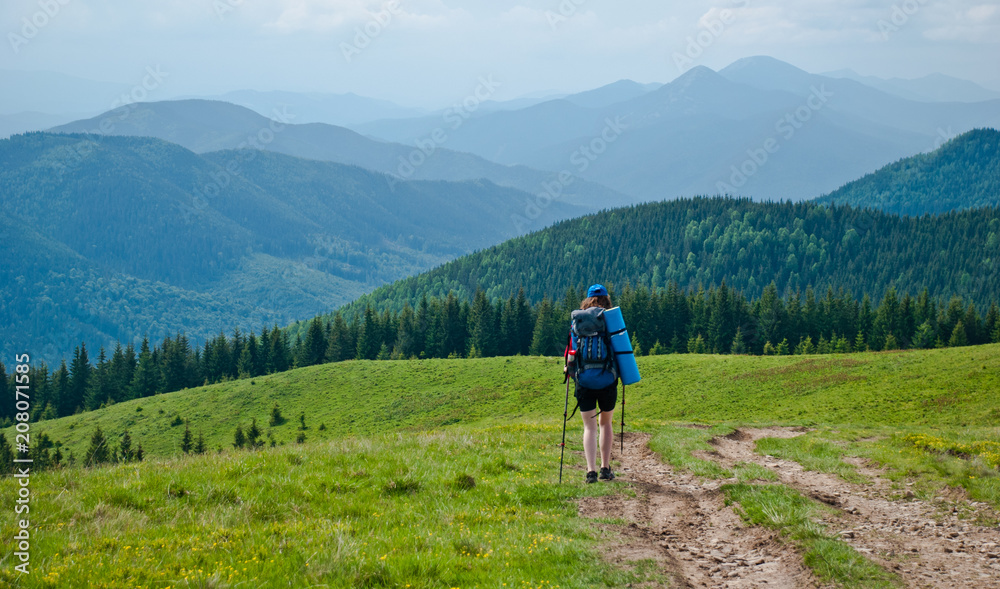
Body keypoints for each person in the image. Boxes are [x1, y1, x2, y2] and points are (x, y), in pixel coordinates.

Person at [565, 284, 617, 484]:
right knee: (605, 423)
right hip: (607, 380)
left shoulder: (577, 322)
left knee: (589, 427)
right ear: (606, 299)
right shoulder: (610, 319)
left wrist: (569, 371)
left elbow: (570, 351)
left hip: (584, 380)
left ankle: (590, 472)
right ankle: (605, 469)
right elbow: (619, 349)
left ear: (587, 300)